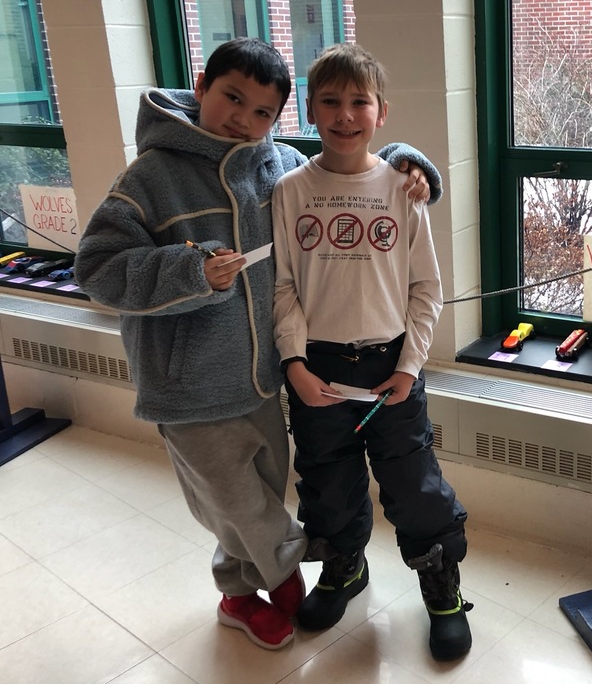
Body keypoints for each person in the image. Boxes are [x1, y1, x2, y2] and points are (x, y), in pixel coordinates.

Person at [74, 37, 441, 651]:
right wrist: (189, 271)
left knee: (265, 490)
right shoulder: (149, 177)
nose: (244, 119)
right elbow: (96, 269)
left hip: (268, 377)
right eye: (232, 98)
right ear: (201, 86)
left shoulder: (268, 164)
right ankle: (263, 581)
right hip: (190, 385)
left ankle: (255, 585)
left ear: (278, 120)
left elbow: (344, 165)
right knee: (236, 504)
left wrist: (407, 160)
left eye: (262, 112)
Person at [272, 42, 471, 661]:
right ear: (309, 109)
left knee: (414, 484)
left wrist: (410, 366)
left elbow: (426, 289)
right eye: (330, 101)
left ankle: (441, 588)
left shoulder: (404, 190)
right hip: (318, 374)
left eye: (360, 101)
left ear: (381, 113)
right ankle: (343, 567)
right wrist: (295, 364)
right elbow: (281, 285)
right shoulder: (289, 191)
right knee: (327, 484)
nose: (345, 114)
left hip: (390, 370)